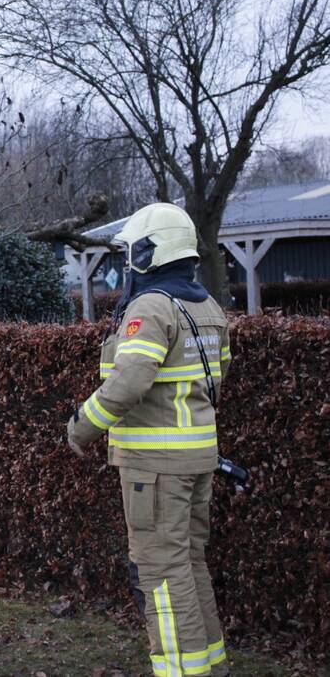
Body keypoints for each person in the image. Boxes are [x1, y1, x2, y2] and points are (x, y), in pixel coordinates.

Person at [67, 203, 232, 677]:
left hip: (156, 465)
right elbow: (218, 376)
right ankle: (210, 666)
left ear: (146, 252)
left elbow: (130, 381)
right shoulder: (208, 307)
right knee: (189, 563)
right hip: (198, 458)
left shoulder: (151, 307)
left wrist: (82, 425)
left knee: (161, 573)